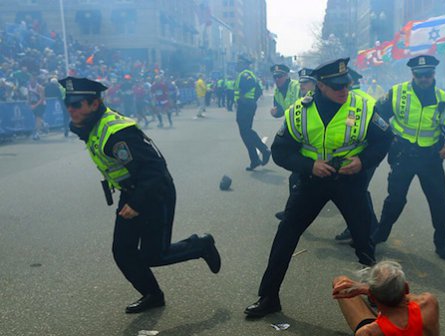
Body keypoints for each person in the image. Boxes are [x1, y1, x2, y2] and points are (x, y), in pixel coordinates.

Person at [244, 58, 393, 318]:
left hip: (349, 182)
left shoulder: (363, 106)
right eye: (337, 86)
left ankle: (379, 298)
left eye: (346, 84)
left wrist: (363, 162)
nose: (344, 89)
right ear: (320, 86)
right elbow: (280, 152)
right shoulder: (299, 111)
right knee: (285, 237)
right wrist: (309, 165)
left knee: (364, 243)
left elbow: (384, 138)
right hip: (312, 183)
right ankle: (268, 297)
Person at [59, 76, 221, 314]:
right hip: (132, 190)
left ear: (94, 104)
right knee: (122, 251)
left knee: (154, 255)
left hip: (154, 192)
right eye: (68, 104)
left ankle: (201, 245)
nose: (70, 109)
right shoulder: (92, 123)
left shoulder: (117, 133)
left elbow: (155, 170)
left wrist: (136, 202)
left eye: (77, 105)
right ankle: (152, 295)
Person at [371, 55, 445, 260]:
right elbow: (377, 114)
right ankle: (380, 235)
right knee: (395, 200)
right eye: (419, 75)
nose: (424, 78)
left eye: (428, 74)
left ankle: (442, 242)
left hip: (431, 158)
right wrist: (387, 135)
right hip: (403, 155)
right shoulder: (398, 93)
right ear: (412, 74)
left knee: (439, 202)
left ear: (434, 74)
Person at [332, 260, 439, 336]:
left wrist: (367, 289)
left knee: (340, 280)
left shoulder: (369, 332)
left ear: (372, 298)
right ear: (406, 288)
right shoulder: (429, 303)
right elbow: (413, 298)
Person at [335, 68, 380, 244]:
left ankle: (367, 231)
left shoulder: (354, 102)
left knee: (355, 193)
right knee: (356, 193)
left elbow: (348, 130)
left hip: (360, 156)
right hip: (369, 155)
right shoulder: (368, 98)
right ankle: (362, 228)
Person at [274, 67, 317, 221]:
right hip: (310, 154)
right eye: (301, 82)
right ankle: (292, 214)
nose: (302, 85)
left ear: (315, 84)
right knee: (296, 180)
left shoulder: (318, 102)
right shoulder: (302, 103)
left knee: (348, 196)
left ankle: (368, 230)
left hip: (326, 156)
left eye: (306, 82)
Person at [234, 55, 270, 171]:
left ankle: (264, 150)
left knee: (246, 131)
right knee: (246, 132)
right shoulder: (252, 74)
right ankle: (254, 159)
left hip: (245, 106)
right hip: (249, 105)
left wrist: (242, 98)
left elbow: (244, 87)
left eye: (239, 63)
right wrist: (252, 100)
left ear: (244, 64)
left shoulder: (245, 74)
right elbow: (259, 89)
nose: (237, 65)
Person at [28, 75, 46, 140]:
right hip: (33, 103)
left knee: (37, 119)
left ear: (35, 81)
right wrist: (29, 103)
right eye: (30, 80)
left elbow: (42, 99)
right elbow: (29, 95)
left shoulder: (40, 87)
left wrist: (35, 105)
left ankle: (37, 133)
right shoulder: (29, 86)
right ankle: (44, 124)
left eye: (32, 80)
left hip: (41, 105)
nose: (31, 81)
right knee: (37, 118)